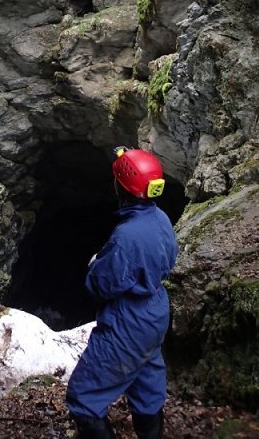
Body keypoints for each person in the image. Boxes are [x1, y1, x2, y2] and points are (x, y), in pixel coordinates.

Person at [66, 147, 179, 439]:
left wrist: (96, 264)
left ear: (120, 186)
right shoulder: (161, 219)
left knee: (84, 400)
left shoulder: (127, 236)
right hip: (155, 313)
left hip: (128, 322)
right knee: (148, 391)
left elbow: (99, 286)